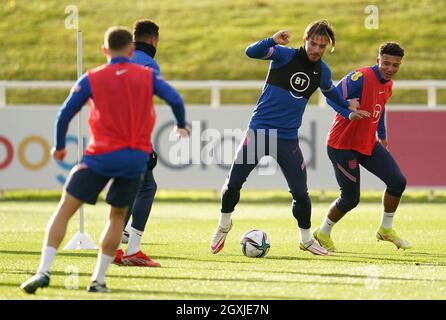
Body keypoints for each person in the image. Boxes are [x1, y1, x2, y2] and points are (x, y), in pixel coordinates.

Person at [20, 26, 187, 294]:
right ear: (131, 50)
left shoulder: (92, 77)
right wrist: (181, 124)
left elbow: (64, 114)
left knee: (65, 208)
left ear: (105, 50)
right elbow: (176, 99)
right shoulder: (147, 75)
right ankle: (98, 280)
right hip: (133, 159)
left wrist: (59, 146)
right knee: (117, 217)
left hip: (99, 156)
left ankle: (44, 270)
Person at [210, 20, 360, 256]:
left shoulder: (322, 71)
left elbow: (331, 95)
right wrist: (271, 39)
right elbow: (251, 52)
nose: (316, 50)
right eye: (313, 43)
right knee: (234, 183)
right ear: (305, 40)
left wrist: (348, 110)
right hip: (259, 131)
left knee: (301, 193)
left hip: (287, 139)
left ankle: (306, 240)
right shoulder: (283, 55)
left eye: (322, 46)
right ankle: (224, 224)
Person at [313, 42, 411, 252]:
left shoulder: (388, 84)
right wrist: (348, 110)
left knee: (397, 181)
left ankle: (385, 229)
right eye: (386, 63)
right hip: (342, 145)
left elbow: (380, 108)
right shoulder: (360, 77)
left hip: (368, 143)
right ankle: (322, 232)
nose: (390, 69)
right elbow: (331, 96)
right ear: (378, 61)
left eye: (395, 65)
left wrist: (382, 136)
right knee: (350, 199)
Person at [114, 19, 190, 268]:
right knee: (146, 187)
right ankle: (132, 248)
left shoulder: (118, 60)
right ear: (154, 40)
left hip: (109, 134)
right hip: (132, 137)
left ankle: (114, 248)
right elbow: (166, 99)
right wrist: (180, 124)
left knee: (128, 189)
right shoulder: (148, 64)